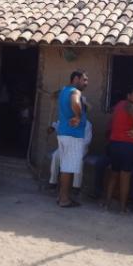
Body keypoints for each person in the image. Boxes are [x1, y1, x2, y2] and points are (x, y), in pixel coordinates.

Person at [104, 86, 133, 214]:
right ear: (129, 96)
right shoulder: (130, 106)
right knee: (125, 177)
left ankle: (107, 204)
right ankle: (122, 208)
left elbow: (110, 123)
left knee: (113, 175)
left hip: (114, 145)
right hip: (127, 146)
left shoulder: (118, 105)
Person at [56, 70, 89, 208]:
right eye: (84, 80)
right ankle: (64, 200)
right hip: (72, 135)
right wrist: (78, 116)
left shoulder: (64, 90)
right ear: (76, 79)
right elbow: (75, 102)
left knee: (65, 168)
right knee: (68, 169)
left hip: (64, 133)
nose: (86, 83)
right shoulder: (75, 91)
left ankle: (62, 197)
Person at [48, 120, 93, 190]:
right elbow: (57, 124)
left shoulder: (87, 124)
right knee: (55, 155)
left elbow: (87, 140)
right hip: (66, 147)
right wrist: (52, 127)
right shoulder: (67, 119)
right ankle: (53, 182)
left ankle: (76, 186)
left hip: (80, 149)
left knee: (79, 160)